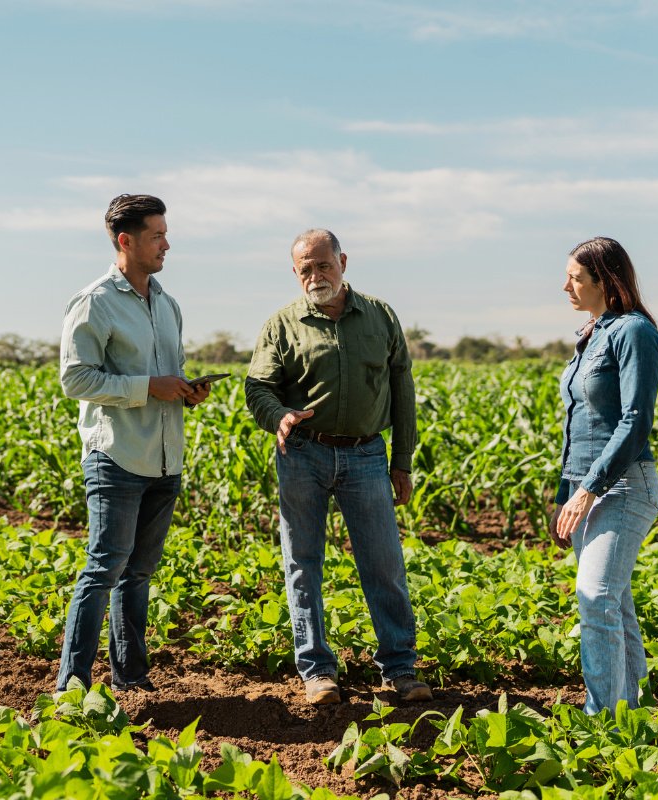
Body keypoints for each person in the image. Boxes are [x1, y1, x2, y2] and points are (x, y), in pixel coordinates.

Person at [244, 228, 431, 706]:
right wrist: (278, 416)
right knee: (302, 562)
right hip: (303, 453)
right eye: (305, 269)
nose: (314, 276)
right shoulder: (281, 325)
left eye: (322, 265)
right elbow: (257, 388)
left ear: (343, 261)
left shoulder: (379, 316)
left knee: (383, 562)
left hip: (367, 454)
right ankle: (317, 670)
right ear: (295, 272)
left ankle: (399, 668)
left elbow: (403, 388)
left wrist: (402, 461)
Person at [56, 193, 211, 693]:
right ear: (126, 241)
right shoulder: (94, 302)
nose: (167, 243)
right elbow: (76, 380)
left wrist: (186, 390)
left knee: (137, 575)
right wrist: (146, 387)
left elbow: (169, 373)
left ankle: (131, 679)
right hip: (117, 456)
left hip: (165, 458)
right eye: (157, 235)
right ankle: (70, 686)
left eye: (166, 233)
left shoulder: (168, 305)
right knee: (103, 569)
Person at [552, 236, 658, 716]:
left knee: (595, 595)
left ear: (605, 279)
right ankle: (630, 715)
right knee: (614, 604)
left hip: (623, 485)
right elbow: (576, 423)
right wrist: (566, 493)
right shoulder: (591, 333)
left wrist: (588, 490)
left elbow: (635, 421)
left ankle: (602, 718)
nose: (566, 286)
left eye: (576, 277)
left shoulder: (634, 333)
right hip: (584, 485)